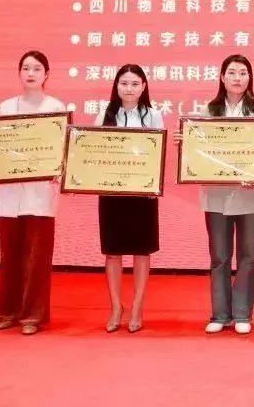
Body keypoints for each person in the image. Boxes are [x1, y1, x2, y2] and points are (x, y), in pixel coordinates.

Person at [173, 55, 254, 336]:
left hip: (251, 194)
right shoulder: (207, 111)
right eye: (232, 73)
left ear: (250, 78)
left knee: (248, 257)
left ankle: (242, 314)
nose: (237, 78)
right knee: (219, 256)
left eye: (243, 73)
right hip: (216, 195)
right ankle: (220, 314)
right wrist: (186, 142)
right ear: (222, 77)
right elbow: (198, 151)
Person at [0, 50, 66, 336]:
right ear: (19, 73)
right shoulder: (5, 107)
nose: (30, 73)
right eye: (25, 68)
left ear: (47, 74)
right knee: (9, 254)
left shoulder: (55, 107)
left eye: (36, 68)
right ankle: (7, 312)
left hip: (40, 193)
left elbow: (62, 150)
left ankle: (32, 316)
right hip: (8, 194)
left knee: (37, 257)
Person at [95, 64, 163, 334]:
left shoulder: (153, 116)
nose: (129, 88)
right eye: (124, 83)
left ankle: (137, 306)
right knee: (112, 252)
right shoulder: (105, 114)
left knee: (141, 251)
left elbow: (158, 154)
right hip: (112, 192)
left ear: (144, 87)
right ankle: (116, 307)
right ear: (116, 86)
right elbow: (93, 153)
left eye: (135, 84)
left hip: (142, 193)